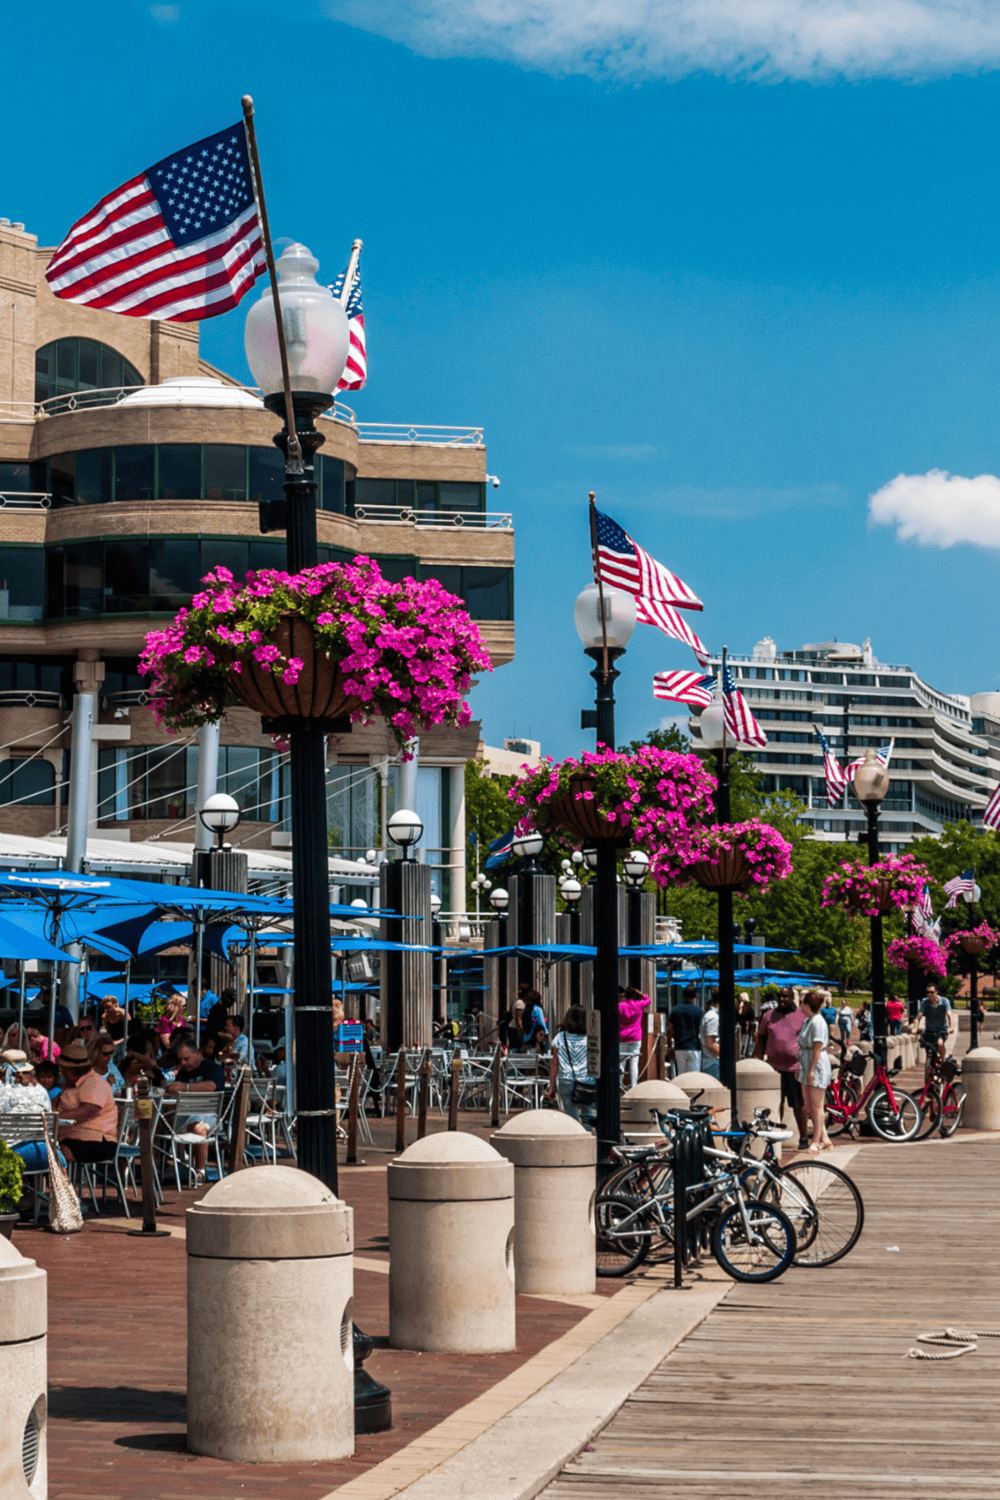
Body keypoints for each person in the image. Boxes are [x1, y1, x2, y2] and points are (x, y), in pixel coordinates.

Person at [165, 1035, 225, 1181]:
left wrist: (185, 1088)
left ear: (197, 1053)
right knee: (148, 1122)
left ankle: (200, 1172)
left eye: (186, 1059)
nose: (183, 1063)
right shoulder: (182, 1073)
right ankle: (151, 1169)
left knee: (198, 1127)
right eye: (180, 1060)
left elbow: (211, 1086)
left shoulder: (213, 1068)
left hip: (207, 1116)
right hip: (181, 1116)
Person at [755, 987, 809, 1149]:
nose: (782, 999)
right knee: (774, 1105)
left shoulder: (802, 1016)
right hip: (773, 1068)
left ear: (793, 998)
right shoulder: (768, 1016)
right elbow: (761, 1039)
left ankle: (804, 1138)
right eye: (780, 996)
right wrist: (758, 1062)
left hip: (794, 1068)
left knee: (798, 1105)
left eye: (785, 996)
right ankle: (774, 1141)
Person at [57, 1039, 118, 1166]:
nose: (60, 1072)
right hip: (77, 1139)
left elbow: (89, 1110)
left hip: (97, 1141)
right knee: (45, 1148)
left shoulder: (94, 1082)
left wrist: (56, 1117)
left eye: (62, 1068)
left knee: (53, 1152)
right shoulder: (73, 1086)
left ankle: (62, 1183)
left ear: (69, 1070)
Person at [0, 1050, 59, 1175]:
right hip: (46, 1153)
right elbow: (48, 1114)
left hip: (12, 1155)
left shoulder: (3, 1090)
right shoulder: (40, 1089)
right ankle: (35, 1193)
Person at [545, 1004, 594, 1125]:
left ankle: (575, 1138)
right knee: (588, 1114)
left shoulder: (560, 1037)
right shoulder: (591, 1038)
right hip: (587, 1080)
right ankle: (588, 1139)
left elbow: (555, 1063)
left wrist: (551, 1087)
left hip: (566, 1080)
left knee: (572, 1118)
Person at [798, 990, 833, 1152]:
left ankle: (816, 1140)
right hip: (806, 1062)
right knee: (808, 1105)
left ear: (807, 1004)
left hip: (816, 1064)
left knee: (817, 1105)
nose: (799, 1005)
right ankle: (824, 1137)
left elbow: (817, 1048)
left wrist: (811, 1070)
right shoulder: (808, 1021)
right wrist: (801, 1068)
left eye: (801, 1002)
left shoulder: (817, 1021)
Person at [618, 986, 650, 1089]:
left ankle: (619, 1085)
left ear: (625, 995)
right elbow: (648, 1000)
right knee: (634, 1062)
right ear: (634, 995)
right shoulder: (639, 1005)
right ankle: (634, 1086)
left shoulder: (620, 1006)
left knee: (621, 1062)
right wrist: (640, 993)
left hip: (622, 1036)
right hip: (635, 1037)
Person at [667, 986, 704, 1076]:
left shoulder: (675, 1010)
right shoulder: (698, 1011)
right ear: (695, 995)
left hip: (680, 1047)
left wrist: (669, 1047)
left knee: (681, 1075)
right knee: (694, 1076)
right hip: (694, 1047)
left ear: (683, 995)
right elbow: (701, 1030)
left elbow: (670, 1029)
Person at [916, 983, 953, 1069]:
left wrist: (951, 1027)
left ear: (936, 992)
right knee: (928, 1049)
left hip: (941, 1029)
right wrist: (915, 1028)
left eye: (931, 992)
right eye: (927, 992)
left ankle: (943, 1062)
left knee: (940, 1044)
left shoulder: (944, 1001)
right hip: (929, 1029)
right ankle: (929, 1068)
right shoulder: (925, 1002)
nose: (929, 994)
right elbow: (918, 1017)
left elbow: (950, 1015)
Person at [700, 989, 721, 1079]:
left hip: (712, 1062)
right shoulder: (713, 1017)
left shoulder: (713, 1015)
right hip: (713, 1063)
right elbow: (711, 1043)